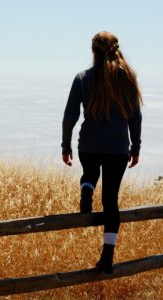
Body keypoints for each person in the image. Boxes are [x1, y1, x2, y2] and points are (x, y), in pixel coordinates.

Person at [61, 31, 142, 274]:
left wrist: (65, 146)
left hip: (89, 145)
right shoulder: (127, 78)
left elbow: (70, 116)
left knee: (90, 172)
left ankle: (86, 189)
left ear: (93, 51)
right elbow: (135, 117)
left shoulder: (82, 78)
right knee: (111, 201)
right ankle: (107, 256)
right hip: (118, 149)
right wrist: (135, 147)